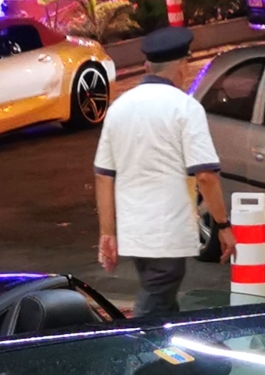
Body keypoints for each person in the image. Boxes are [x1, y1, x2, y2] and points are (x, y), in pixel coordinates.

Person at [93, 26, 231, 322]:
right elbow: (205, 175)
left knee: (163, 302)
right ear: (182, 66)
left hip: (134, 232)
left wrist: (108, 233)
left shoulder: (119, 108)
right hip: (167, 230)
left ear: (146, 66)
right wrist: (223, 225)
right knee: (156, 300)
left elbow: (104, 174)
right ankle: (134, 350)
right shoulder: (185, 108)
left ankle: (166, 359)